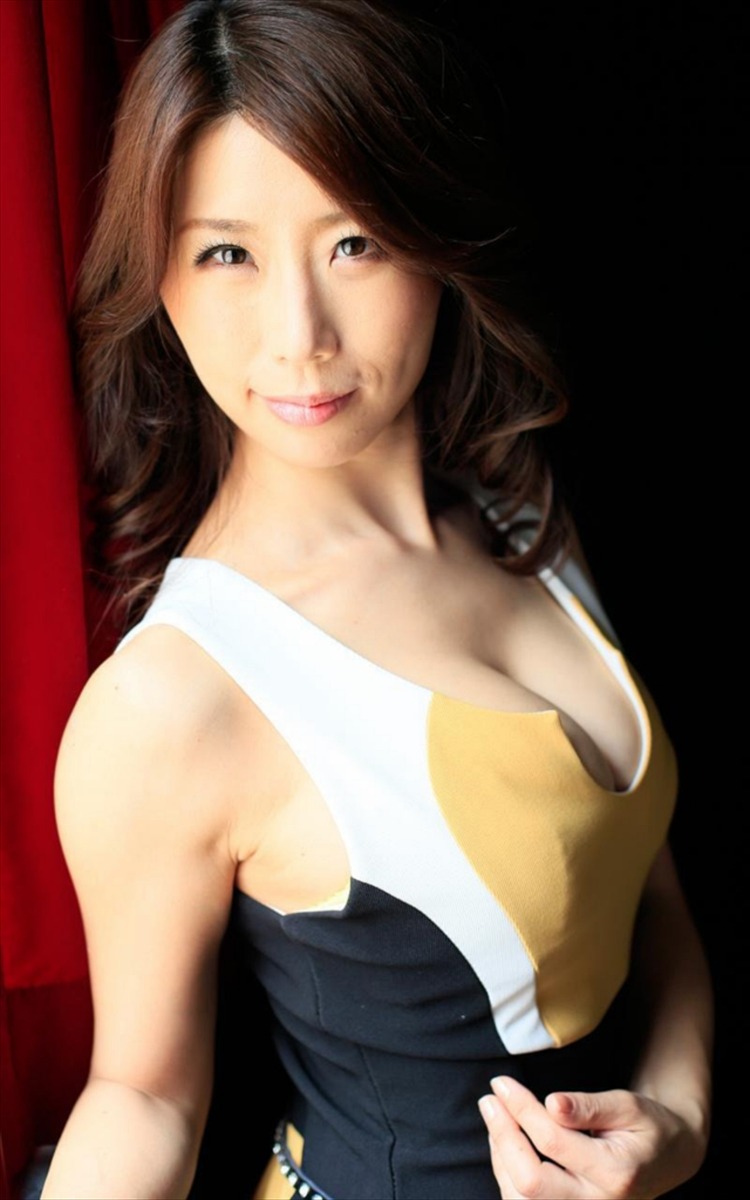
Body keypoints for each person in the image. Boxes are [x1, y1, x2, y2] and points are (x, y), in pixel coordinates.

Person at [41, 1, 713, 1197]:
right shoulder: (172, 699)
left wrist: (680, 1123)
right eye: (228, 253)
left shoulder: (519, 513)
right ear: (160, 279)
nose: (299, 335)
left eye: (353, 242)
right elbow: (140, 1098)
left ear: (433, 239)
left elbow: (653, 901)